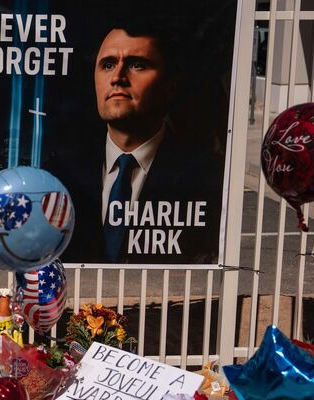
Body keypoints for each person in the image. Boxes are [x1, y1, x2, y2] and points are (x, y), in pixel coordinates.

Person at [51, 22, 223, 264]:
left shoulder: (207, 176)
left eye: (137, 64)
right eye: (108, 64)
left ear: (170, 85)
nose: (117, 77)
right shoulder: (60, 173)